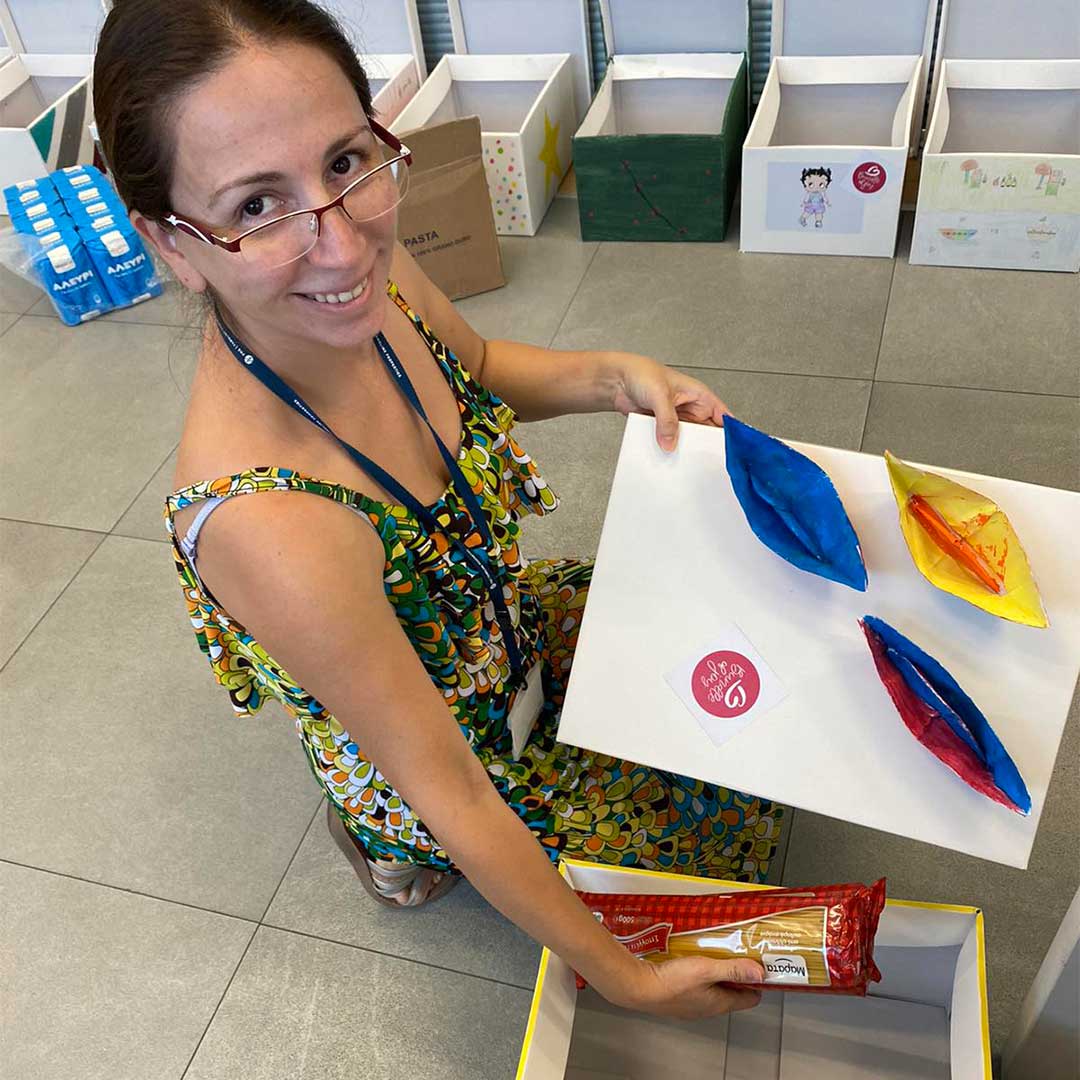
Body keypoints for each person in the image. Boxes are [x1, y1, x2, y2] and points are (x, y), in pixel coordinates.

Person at [93, 0, 783, 1020]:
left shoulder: (367, 264)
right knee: (719, 851)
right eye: (257, 206)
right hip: (439, 756)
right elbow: (449, 784)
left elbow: (483, 364)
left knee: (731, 659)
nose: (340, 247)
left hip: (494, 626)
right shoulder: (269, 521)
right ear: (170, 242)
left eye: (344, 160)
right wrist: (628, 979)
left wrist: (617, 378)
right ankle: (382, 841)